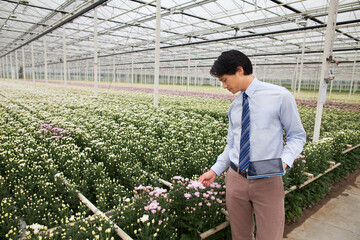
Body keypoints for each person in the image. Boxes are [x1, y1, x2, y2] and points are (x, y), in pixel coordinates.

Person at [199, 50, 306, 240]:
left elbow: (297, 135)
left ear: (239, 70)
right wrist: (215, 170)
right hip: (235, 179)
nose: (223, 86)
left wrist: (284, 162)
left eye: (225, 79)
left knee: (270, 236)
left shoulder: (280, 96)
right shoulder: (235, 106)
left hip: (268, 179)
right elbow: (231, 145)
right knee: (240, 235)